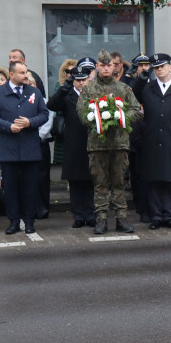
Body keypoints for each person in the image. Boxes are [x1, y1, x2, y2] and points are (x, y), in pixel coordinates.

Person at [77, 50, 143, 234]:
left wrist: (120, 116)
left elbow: (137, 110)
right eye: (102, 65)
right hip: (97, 145)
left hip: (119, 143)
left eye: (109, 65)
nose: (106, 68)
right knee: (100, 183)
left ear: (114, 66)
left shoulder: (123, 89)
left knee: (119, 182)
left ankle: (121, 218)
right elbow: (81, 114)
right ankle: (101, 219)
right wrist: (96, 118)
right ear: (97, 67)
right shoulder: (88, 89)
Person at [0, 61, 49, 235]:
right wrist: (7, 126)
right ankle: (13, 221)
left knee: (30, 187)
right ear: (11, 75)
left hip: (30, 148)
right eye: (21, 73)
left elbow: (44, 114)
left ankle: (29, 221)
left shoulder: (34, 91)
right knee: (11, 188)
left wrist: (30, 122)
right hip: (9, 148)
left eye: (26, 72)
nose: (26, 75)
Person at [137, 53, 171, 229]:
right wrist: (139, 79)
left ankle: (168, 215)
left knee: (168, 180)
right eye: (156, 68)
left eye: (162, 66)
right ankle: (156, 216)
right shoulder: (148, 88)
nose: (159, 70)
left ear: (169, 67)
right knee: (153, 181)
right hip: (151, 142)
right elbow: (134, 97)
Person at [47, 64, 95, 228]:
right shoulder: (67, 95)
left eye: (84, 80)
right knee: (75, 183)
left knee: (90, 181)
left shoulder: (93, 94)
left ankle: (90, 214)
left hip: (91, 143)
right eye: (77, 80)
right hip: (73, 144)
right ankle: (79, 216)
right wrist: (65, 87)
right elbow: (52, 105)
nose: (81, 83)